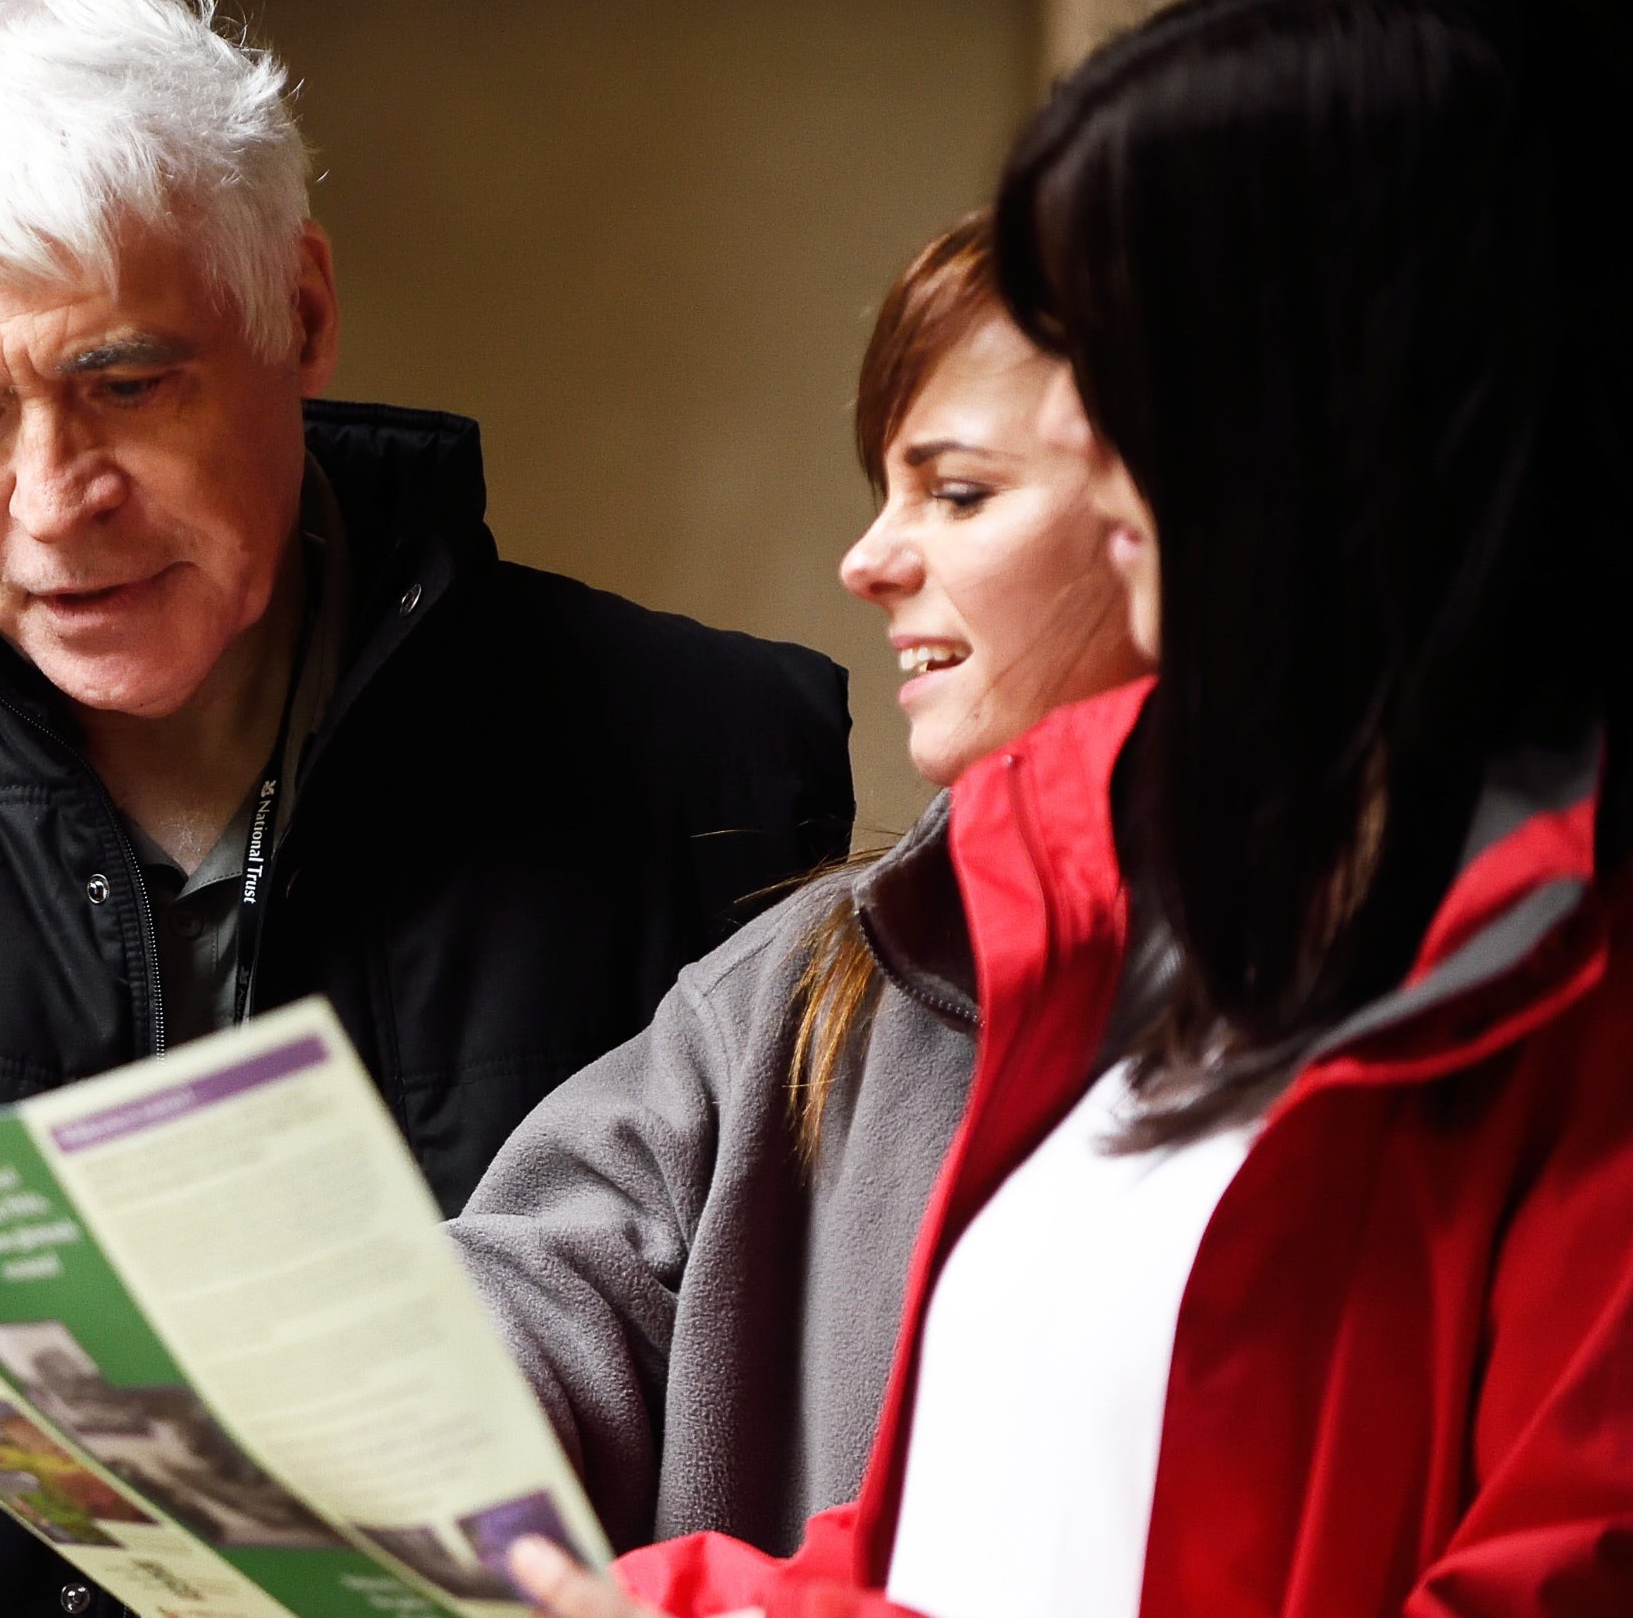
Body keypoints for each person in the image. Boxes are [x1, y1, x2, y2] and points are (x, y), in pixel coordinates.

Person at [0, 0, 853, 1612]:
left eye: (125, 386)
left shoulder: (703, 765)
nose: (54, 504)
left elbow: (777, 1422)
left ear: (303, 311)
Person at [516, 0, 1633, 1614]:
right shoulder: (1131, 923)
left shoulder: (1566, 985)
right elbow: (987, 1543)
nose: (1104, 469)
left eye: (1136, 380)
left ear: (1347, 393)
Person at [447, 209, 1156, 1563]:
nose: (868, 559)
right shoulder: (800, 980)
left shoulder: (1423, 990)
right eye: (884, 488)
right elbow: (542, 1280)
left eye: (956, 493)